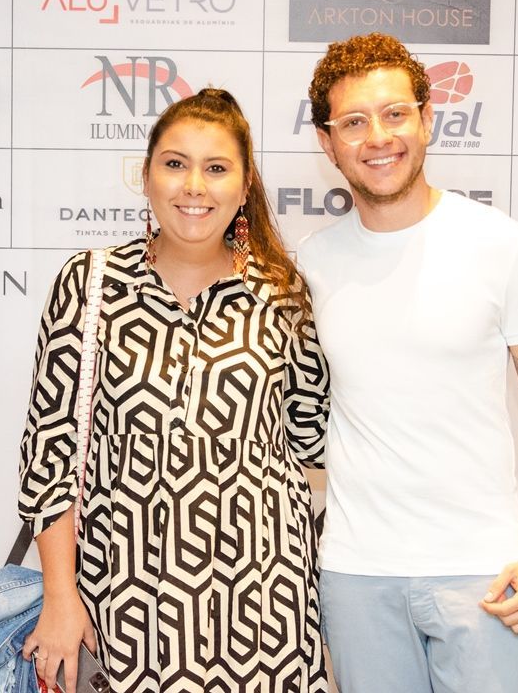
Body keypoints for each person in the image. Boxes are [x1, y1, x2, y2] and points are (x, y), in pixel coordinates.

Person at [17, 88, 331, 693]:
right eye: (175, 163)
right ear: (146, 175)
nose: (194, 186)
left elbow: (311, 438)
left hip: (267, 609)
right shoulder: (89, 284)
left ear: (244, 189)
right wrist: (61, 596)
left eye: (216, 168)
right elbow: (48, 456)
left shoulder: (286, 294)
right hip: (124, 604)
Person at [297, 33, 518, 693]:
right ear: (327, 141)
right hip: (356, 572)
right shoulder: (311, 264)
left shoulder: (499, 245)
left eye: (394, 114)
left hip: (483, 573)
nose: (377, 137)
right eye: (354, 122)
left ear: (427, 119)